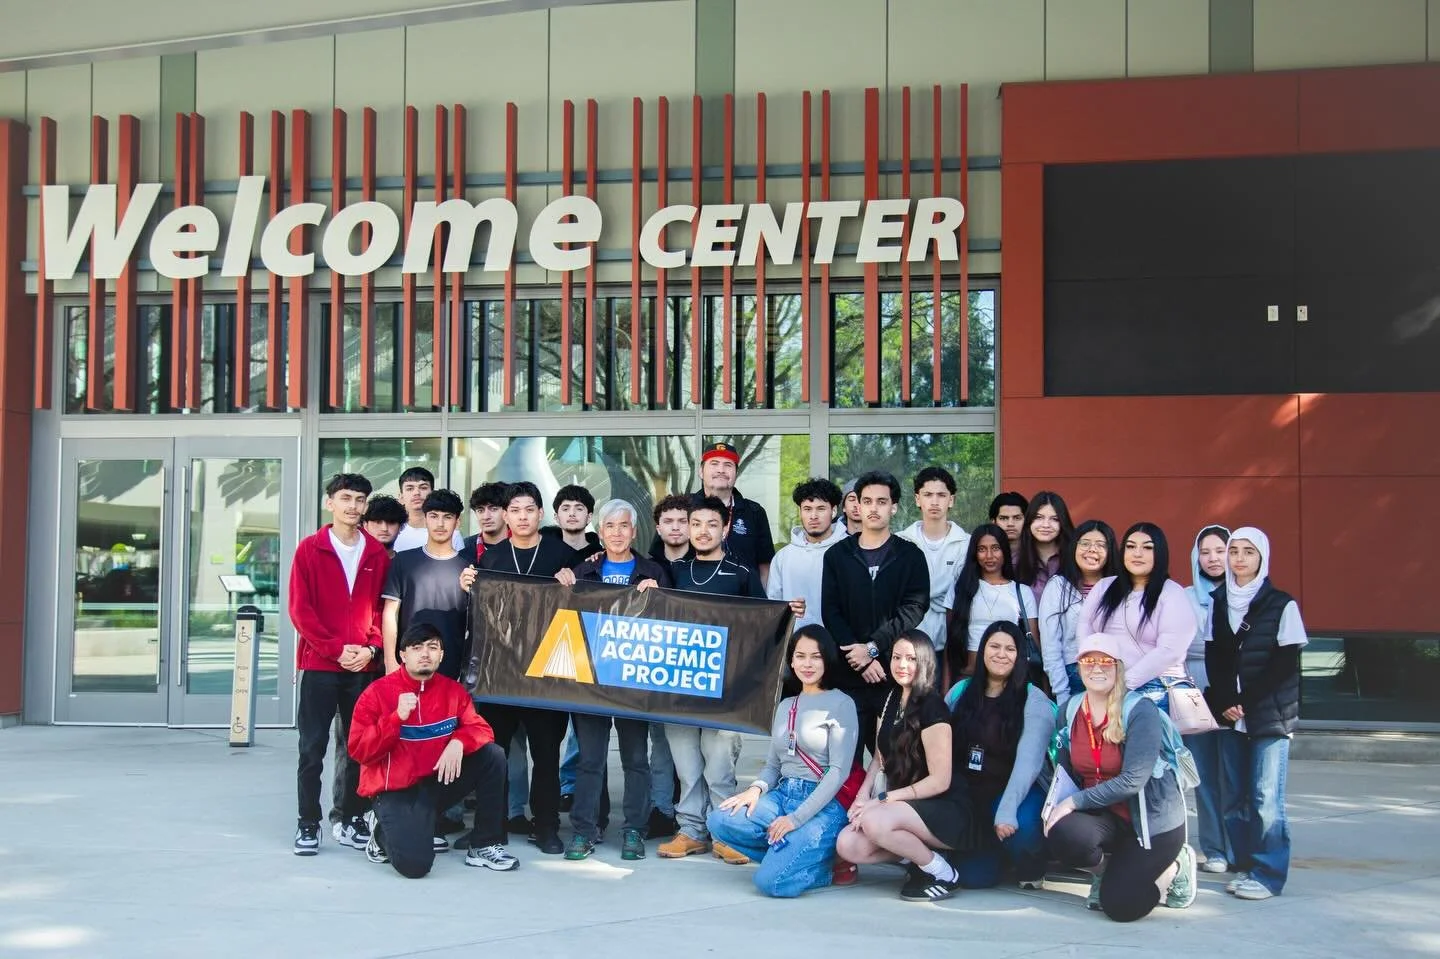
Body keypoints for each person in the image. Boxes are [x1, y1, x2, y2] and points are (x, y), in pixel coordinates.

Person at [460, 481, 580, 855]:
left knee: (546, 756)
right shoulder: (490, 560)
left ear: (540, 514)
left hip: (547, 674)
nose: (522, 517)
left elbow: (584, 609)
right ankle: (489, 828)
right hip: (501, 674)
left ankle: (546, 827)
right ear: (506, 516)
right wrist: (467, 587)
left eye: (529, 510)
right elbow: (478, 615)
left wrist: (573, 584)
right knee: (494, 754)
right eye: (515, 510)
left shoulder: (563, 555)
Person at [1045, 635, 1197, 921]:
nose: (1097, 667)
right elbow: (1065, 771)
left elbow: (1133, 780)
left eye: (1105, 661)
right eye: (1088, 661)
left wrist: (1073, 802)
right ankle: (1105, 874)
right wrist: (1057, 807)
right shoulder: (1070, 710)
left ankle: (1176, 866)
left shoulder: (1140, 710)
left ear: (1118, 667)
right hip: (1105, 816)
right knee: (1062, 833)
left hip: (1151, 822)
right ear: (1078, 667)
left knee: (1121, 908)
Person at [348, 622, 519, 877]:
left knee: (492, 755)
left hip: (435, 784)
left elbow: (482, 730)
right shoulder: (377, 693)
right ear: (403, 655)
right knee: (415, 866)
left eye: (432, 647)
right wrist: (395, 719)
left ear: (441, 655)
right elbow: (359, 750)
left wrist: (459, 741)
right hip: (394, 791)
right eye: (417, 648)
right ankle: (381, 832)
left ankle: (483, 844)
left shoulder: (453, 691)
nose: (425, 653)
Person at [553, 499, 671, 861]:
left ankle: (634, 830)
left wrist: (659, 596)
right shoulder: (583, 570)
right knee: (589, 760)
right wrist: (562, 585)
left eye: (623, 526)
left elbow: (672, 622)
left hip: (633, 682)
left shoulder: (653, 571)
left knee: (636, 759)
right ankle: (585, 831)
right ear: (600, 532)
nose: (617, 533)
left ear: (634, 532)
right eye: (610, 526)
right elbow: (561, 616)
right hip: (590, 681)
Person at [708, 625, 859, 897]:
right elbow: (773, 766)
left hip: (823, 803)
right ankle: (790, 855)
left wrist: (795, 819)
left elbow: (838, 772)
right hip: (782, 794)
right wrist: (755, 790)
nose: (807, 664)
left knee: (771, 883)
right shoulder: (786, 705)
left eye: (815, 656)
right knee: (719, 820)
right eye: (800, 656)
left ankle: (820, 868)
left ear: (827, 659)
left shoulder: (841, 703)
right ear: (791, 660)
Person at [289, 473, 390, 856]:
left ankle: (350, 818)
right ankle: (308, 823)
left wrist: (372, 648)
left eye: (360, 499)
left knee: (358, 748)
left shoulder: (375, 554)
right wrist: (334, 649)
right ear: (329, 503)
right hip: (320, 666)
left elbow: (382, 608)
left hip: (362, 668)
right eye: (346, 498)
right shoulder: (309, 550)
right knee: (311, 747)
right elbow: (300, 610)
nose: (353, 506)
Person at [1204, 527, 1307, 901]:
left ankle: (1269, 875)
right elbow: (1214, 656)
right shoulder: (1219, 601)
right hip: (1231, 714)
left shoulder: (1281, 603)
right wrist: (1224, 701)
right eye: (1234, 551)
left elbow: (1285, 663)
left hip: (1269, 716)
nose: (1239, 558)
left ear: (1262, 557)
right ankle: (1246, 866)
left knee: (1266, 797)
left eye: (1249, 551)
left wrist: (1245, 700)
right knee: (1235, 795)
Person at [659, 496, 763, 863]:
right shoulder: (673, 571)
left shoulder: (742, 573)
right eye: (696, 524)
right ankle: (690, 831)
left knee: (719, 767)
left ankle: (725, 831)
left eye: (712, 524)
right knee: (687, 767)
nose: (703, 531)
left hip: (725, 688)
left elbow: (762, 626)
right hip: (678, 685)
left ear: (725, 528)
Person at [834, 631, 967, 902]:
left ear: (925, 662)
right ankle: (916, 856)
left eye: (911, 659)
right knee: (848, 844)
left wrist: (883, 799)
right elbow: (879, 757)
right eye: (896, 657)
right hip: (903, 806)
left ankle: (942, 872)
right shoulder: (890, 698)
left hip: (941, 807)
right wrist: (863, 796)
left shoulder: (934, 708)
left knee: (874, 820)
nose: (902, 665)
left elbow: (940, 781)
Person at [820, 471, 929, 758]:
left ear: (894, 507)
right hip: (848, 676)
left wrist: (873, 648)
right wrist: (859, 657)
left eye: (882, 501)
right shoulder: (837, 555)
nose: (873, 508)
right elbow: (831, 611)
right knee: (846, 761)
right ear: (856, 505)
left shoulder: (910, 556)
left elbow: (914, 608)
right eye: (866, 501)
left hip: (892, 674)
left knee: (894, 761)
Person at [944, 621, 1051, 889]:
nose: (1001, 654)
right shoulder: (960, 691)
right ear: (982, 651)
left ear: (1020, 656)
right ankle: (998, 854)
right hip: (969, 795)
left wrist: (1007, 810)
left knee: (1021, 826)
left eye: (1010, 649)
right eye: (994, 646)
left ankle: (1031, 865)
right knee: (974, 879)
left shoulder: (1033, 699)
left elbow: (1029, 763)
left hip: (1015, 794)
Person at [327, 491, 409, 830]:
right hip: (354, 665)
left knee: (392, 738)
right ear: (365, 523)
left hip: (393, 665)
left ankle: (378, 809)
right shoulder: (353, 557)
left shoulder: (403, 563)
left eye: (392, 522)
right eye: (377, 521)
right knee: (351, 739)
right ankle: (345, 811)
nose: (384, 528)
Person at [1078, 523, 1197, 707]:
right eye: (1131, 546)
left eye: (1147, 548)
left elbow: (1169, 651)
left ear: (1160, 553)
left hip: (1157, 687)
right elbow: (1084, 629)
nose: (1137, 553)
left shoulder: (1172, 593)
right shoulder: (1104, 587)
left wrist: (1123, 684)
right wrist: (1094, 673)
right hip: (1103, 685)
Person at [1185, 525, 1242, 876]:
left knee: (1234, 774)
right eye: (1205, 552)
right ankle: (1215, 849)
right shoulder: (1185, 597)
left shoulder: (1246, 596)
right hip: (1194, 692)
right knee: (1204, 775)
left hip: (1235, 695)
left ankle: (1237, 846)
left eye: (1220, 551)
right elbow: (1182, 644)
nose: (1213, 559)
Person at [651, 441, 775, 585]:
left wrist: (761, 597)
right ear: (700, 471)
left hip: (743, 596)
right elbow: (660, 559)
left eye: (728, 465)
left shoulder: (754, 512)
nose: (721, 470)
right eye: (714, 464)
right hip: (691, 594)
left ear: (736, 473)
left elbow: (764, 566)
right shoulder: (682, 507)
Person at [380, 489, 470, 679]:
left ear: (457, 522)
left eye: (447, 517)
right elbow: (390, 613)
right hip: (408, 663)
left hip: (453, 666)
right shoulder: (403, 561)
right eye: (434, 516)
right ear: (425, 519)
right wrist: (390, 661)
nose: (440, 524)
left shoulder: (469, 568)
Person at [1039, 520, 1121, 709]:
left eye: (1100, 545)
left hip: (1115, 676)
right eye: (1085, 543)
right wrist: (1062, 694)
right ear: (1074, 547)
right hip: (1074, 677)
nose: (1092, 549)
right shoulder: (1058, 586)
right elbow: (1051, 647)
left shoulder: (1119, 588)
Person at [897, 466, 971, 665]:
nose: (935, 501)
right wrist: (942, 597)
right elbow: (897, 595)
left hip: (951, 646)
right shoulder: (900, 541)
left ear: (951, 500)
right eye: (928, 495)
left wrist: (917, 598)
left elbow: (963, 597)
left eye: (941, 495)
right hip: (906, 644)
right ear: (917, 499)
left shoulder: (967, 544)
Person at [947, 523, 1039, 681]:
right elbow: (950, 641)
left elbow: (1034, 641)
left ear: (1005, 551)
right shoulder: (960, 588)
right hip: (967, 677)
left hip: (1008, 680)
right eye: (982, 549)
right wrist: (946, 688)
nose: (989, 556)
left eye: (995, 548)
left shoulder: (1022, 592)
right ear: (974, 553)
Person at [767, 477, 847, 630]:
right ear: (800, 511)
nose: (813, 516)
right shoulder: (783, 557)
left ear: (834, 511)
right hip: (794, 641)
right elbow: (773, 607)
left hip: (838, 640)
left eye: (821, 509)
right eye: (807, 509)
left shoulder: (849, 551)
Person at [1015, 491, 1075, 601]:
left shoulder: (1076, 559)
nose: (1046, 525)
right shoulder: (1015, 562)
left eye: (1054, 519)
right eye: (1039, 517)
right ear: (1029, 520)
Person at [392, 466, 465, 553]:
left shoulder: (450, 533)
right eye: (410, 488)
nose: (416, 493)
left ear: (432, 493)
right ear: (401, 497)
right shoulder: (391, 532)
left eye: (423, 488)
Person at [542, 483, 602, 561]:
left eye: (579, 509)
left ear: (589, 517)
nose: (572, 513)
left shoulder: (602, 558)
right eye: (565, 509)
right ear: (556, 517)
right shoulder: (540, 552)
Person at [461, 481, 510, 565]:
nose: (486, 517)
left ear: (507, 511)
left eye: (493, 509)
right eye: (480, 510)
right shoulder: (465, 547)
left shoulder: (522, 544)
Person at [649, 493, 693, 564]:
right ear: (658, 529)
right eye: (668, 521)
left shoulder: (706, 566)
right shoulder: (646, 568)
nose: (675, 527)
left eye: (682, 521)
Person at [987, 491, 1029, 562]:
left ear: (1027, 520)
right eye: (1003, 518)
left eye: (1017, 518)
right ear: (993, 522)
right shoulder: (984, 554)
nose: (1010, 524)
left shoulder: (1037, 553)